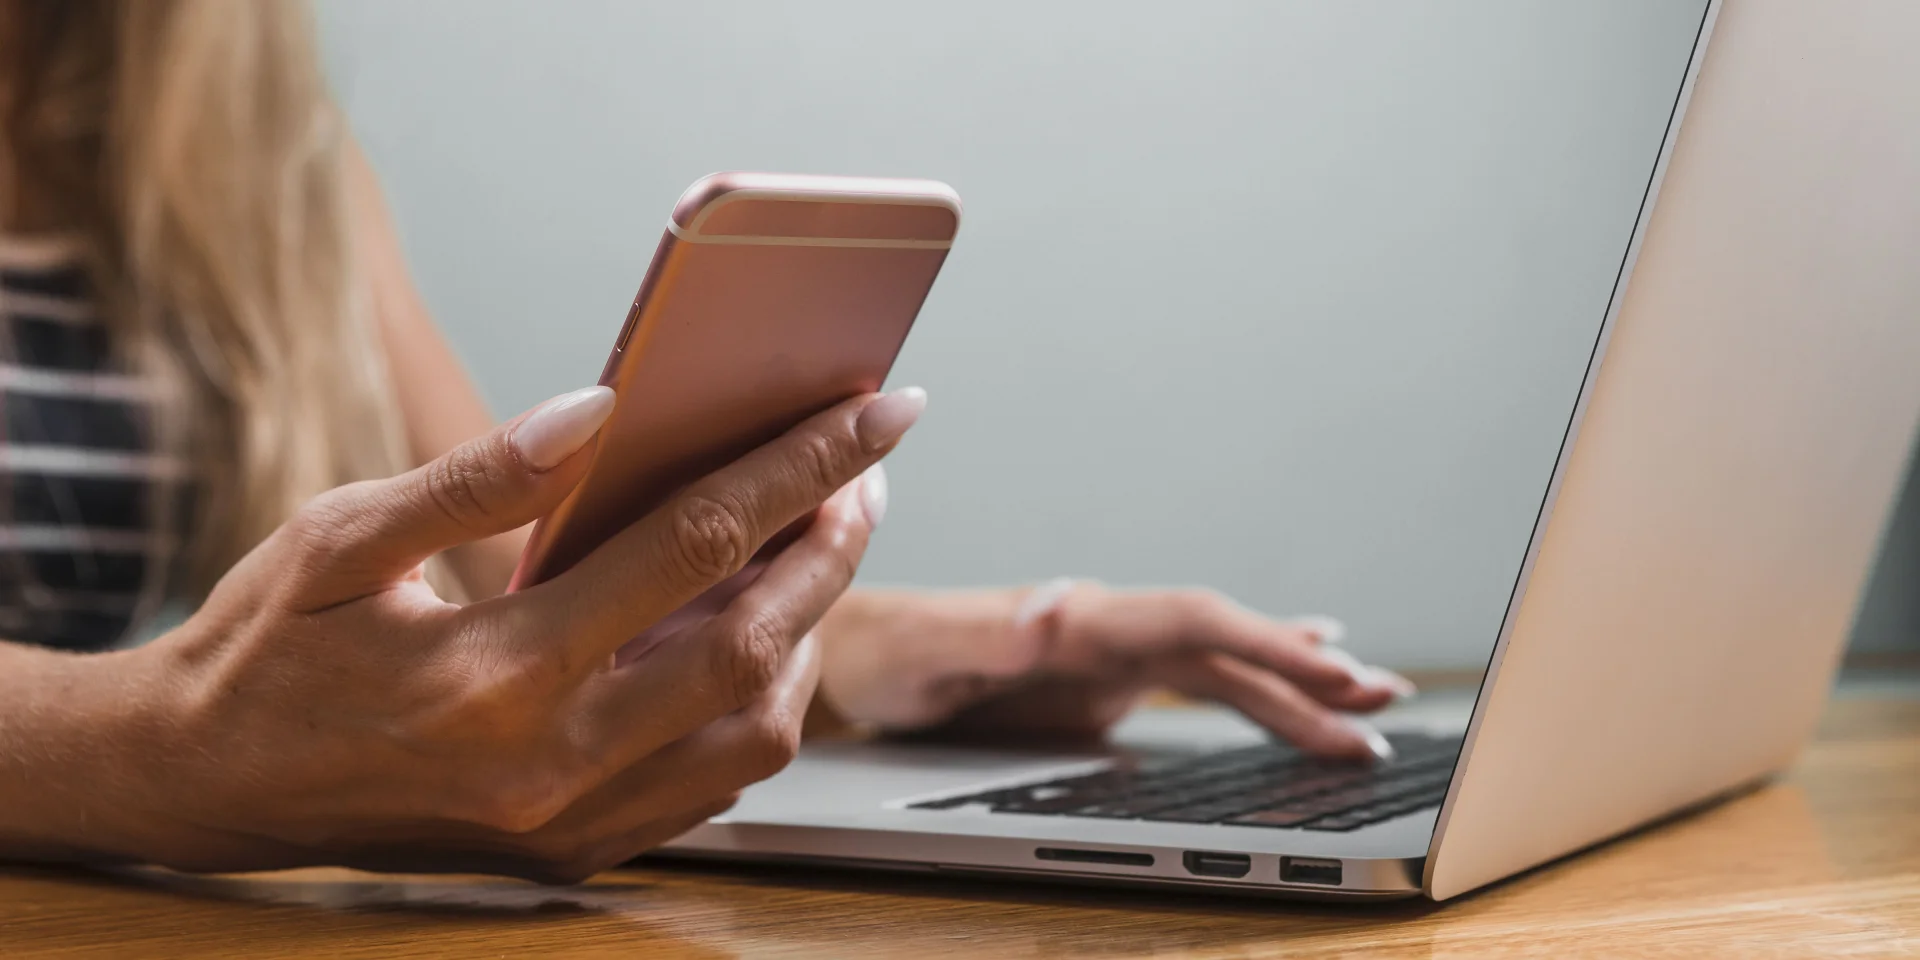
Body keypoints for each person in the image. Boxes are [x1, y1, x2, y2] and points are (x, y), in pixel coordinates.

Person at [0, 0, 1412, 883]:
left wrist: (978, 646)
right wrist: (160, 746)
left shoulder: (261, 152)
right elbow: (202, 727)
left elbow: (520, 607)